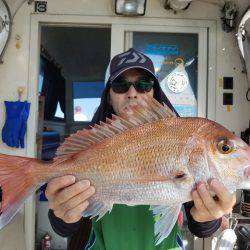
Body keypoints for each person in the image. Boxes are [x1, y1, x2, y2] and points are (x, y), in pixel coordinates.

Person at [46, 48, 236, 249]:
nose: (132, 93)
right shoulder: (91, 145)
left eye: (143, 84)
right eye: (120, 85)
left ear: (155, 93)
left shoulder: (180, 138)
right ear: (109, 97)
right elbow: (66, 227)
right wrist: (63, 215)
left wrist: (208, 217)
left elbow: (200, 226)